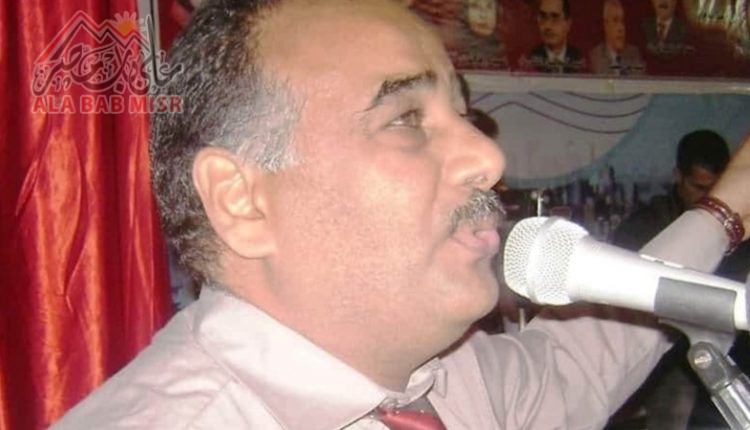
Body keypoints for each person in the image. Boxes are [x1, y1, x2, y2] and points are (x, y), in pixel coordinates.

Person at [52, 1, 750, 428]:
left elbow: (590, 357)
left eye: (463, 112)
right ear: (241, 198)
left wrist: (729, 207)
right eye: (406, 118)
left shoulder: (449, 383)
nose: (487, 156)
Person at [611, 129, 750, 430]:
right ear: (678, 176)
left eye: (715, 188)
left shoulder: (740, 225)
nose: (708, 197)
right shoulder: (647, 224)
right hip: (663, 354)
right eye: (699, 187)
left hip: (729, 352)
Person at [519, 0, 585, 74]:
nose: (547, 26)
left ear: (568, 24)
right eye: (543, 17)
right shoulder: (528, 61)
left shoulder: (581, 61)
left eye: (555, 17)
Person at [589, 0, 645, 76]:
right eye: (615, 21)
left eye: (622, 21)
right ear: (606, 25)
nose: (621, 28)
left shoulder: (634, 54)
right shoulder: (596, 55)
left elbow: (640, 80)